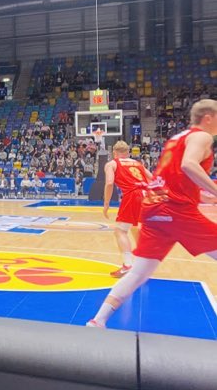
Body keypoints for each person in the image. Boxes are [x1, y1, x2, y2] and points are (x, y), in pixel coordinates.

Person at [88, 100, 217, 328]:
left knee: (138, 273)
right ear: (208, 117)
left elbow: (169, 179)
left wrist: (201, 196)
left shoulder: (176, 139)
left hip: (154, 208)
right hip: (176, 211)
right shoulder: (202, 136)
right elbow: (188, 165)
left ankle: (98, 320)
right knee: (125, 239)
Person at [102, 141, 152, 278]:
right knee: (135, 228)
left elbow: (109, 183)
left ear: (114, 153)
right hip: (147, 195)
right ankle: (144, 263)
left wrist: (106, 203)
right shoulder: (138, 163)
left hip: (133, 195)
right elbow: (153, 179)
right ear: (128, 152)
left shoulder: (112, 164)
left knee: (120, 230)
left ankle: (128, 265)